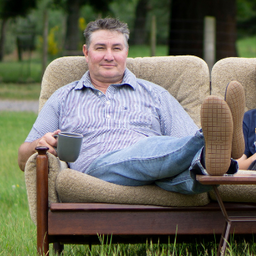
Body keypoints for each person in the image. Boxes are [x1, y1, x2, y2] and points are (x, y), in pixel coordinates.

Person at [16, 17, 236, 195]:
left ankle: (209, 162)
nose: (109, 56)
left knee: (192, 176)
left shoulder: (155, 94)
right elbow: (22, 158)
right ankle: (207, 141)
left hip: (157, 168)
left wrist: (198, 146)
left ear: (126, 52)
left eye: (117, 48)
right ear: (86, 52)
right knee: (151, 148)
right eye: (100, 48)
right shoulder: (63, 97)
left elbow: (181, 141)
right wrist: (40, 144)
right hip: (98, 168)